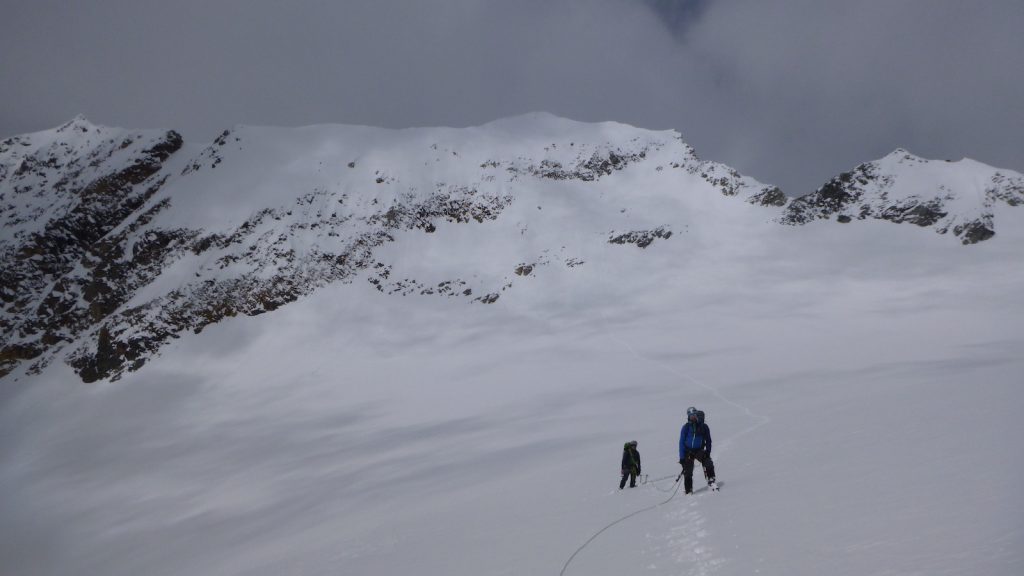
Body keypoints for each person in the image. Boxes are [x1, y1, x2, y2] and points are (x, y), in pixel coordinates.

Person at [678, 406, 717, 494]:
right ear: (688, 416)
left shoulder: (703, 427)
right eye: (690, 415)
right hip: (688, 451)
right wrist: (682, 457)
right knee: (687, 471)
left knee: (708, 462)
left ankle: (711, 480)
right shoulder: (686, 427)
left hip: (699, 450)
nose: (692, 417)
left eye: (694, 415)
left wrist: (708, 452)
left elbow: (708, 440)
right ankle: (688, 490)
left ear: (696, 415)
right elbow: (681, 443)